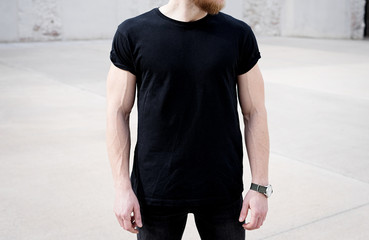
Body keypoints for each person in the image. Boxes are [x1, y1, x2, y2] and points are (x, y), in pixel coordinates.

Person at [106, 0, 272, 239]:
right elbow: (117, 112)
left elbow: (255, 112)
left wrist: (260, 188)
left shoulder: (237, 34)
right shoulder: (132, 33)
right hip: (156, 192)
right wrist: (122, 188)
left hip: (222, 189)